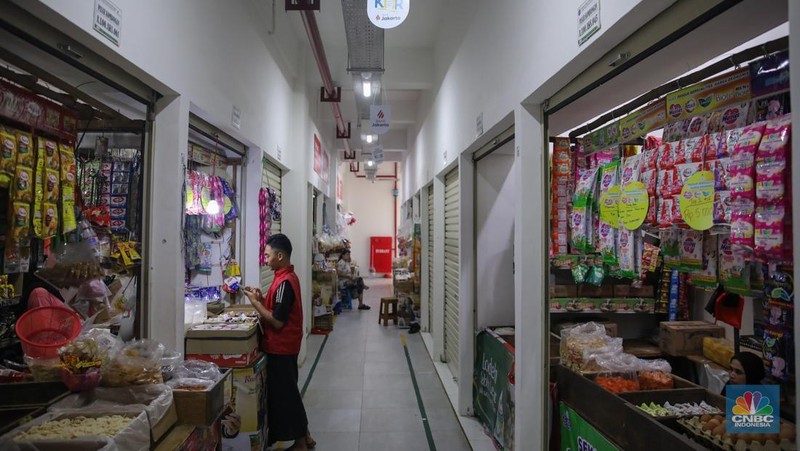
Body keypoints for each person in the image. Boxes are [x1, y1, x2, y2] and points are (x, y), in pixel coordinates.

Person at [242, 234, 315, 450]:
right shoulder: (283, 277)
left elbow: (277, 321)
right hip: (285, 346)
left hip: (282, 347)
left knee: (288, 395)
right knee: (288, 392)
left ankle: (301, 442)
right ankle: (306, 436)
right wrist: (263, 299)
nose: (265, 260)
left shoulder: (285, 282)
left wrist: (255, 303)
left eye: (268, 255)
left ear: (280, 256)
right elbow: (278, 309)